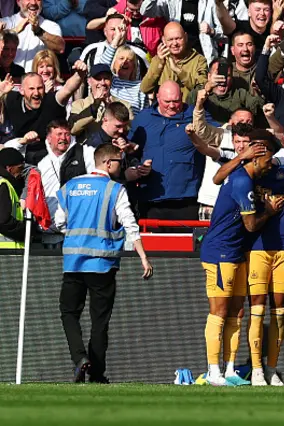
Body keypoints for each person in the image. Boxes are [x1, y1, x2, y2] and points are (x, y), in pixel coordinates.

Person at [55, 143, 153, 383]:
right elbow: (129, 223)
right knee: (100, 320)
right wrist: (143, 256)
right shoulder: (114, 189)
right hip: (103, 263)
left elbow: (59, 222)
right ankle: (97, 373)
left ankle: (79, 357)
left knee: (69, 313)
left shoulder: (70, 187)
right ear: (108, 163)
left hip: (73, 262)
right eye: (120, 162)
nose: (122, 166)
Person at [200, 130, 284, 387]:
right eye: (268, 161)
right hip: (220, 251)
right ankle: (213, 369)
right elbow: (250, 225)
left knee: (237, 312)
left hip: (235, 251)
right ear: (255, 159)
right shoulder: (242, 182)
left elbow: (217, 177)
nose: (270, 167)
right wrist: (269, 211)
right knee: (220, 310)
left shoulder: (240, 176)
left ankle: (229, 368)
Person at [129, 80, 214, 221]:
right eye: (167, 101)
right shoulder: (143, 118)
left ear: (182, 96)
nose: (172, 106)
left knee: (185, 242)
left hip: (186, 199)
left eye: (176, 101)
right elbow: (132, 150)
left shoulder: (196, 115)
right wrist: (138, 165)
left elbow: (218, 135)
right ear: (157, 98)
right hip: (151, 198)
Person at [2, 60, 88, 165]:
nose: (36, 93)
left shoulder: (51, 101)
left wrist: (80, 74)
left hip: (51, 157)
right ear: (21, 90)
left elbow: (68, 89)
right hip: (21, 156)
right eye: (31, 89)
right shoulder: (12, 100)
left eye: (39, 88)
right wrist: (0, 92)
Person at [37, 119, 96, 249]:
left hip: (78, 230)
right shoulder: (40, 161)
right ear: (49, 137)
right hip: (48, 232)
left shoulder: (85, 153)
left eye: (67, 134)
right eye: (59, 134)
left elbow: (103, 156)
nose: (63, 138)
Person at [140, 22, 208, 102]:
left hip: (189, 110)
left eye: (178, 38)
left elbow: (202, 89)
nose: (175, 43)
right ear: (164, 40)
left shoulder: (199, 60)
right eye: (170, 40)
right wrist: (159, 65)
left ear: (186, 37)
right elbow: (145, 88)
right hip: (164, 111)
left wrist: (178, 71)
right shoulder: (158, 60)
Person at [0, 0, 65, 70]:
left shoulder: (51, 26)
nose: (33, 3)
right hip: (10, 78)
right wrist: (15, 31)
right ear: (18, 1)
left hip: (38, 80)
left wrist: (39, 31)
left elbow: (60, 48)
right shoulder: (5, 22)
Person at [0, 147, 25, 248]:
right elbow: (3, 221)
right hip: (7, 251)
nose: (21, 172)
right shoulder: (3, 185)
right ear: (9, 168)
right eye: (19, 168)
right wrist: (26, 229)